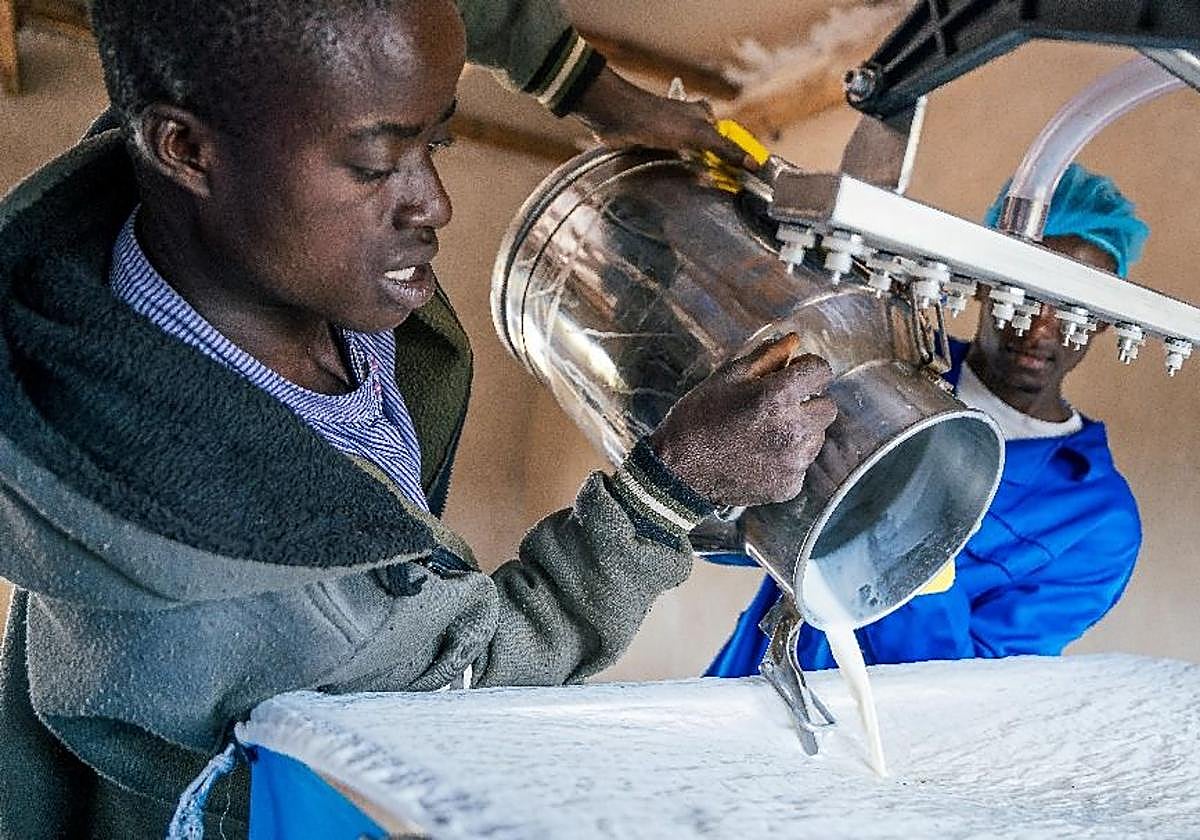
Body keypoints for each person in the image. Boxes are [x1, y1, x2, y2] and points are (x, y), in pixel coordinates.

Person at [0, 0, 840, 837]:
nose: (433, 203)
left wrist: (601, 94)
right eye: (374, 165)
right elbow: (484, 674)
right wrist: (671, 488)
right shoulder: (238, 586)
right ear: (186, 149)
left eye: (435, 141)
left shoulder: (223, 125)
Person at [708, 163, 1148, 676]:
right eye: (1028, 291)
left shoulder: (1098, 521)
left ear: (1103, 320)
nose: (1041, 326)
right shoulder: (884, 361)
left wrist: (914, 543)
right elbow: (738, 528)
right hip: (753, 677)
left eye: (1076, 306)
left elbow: (968, 686)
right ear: (987, 284)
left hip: (883, 737)